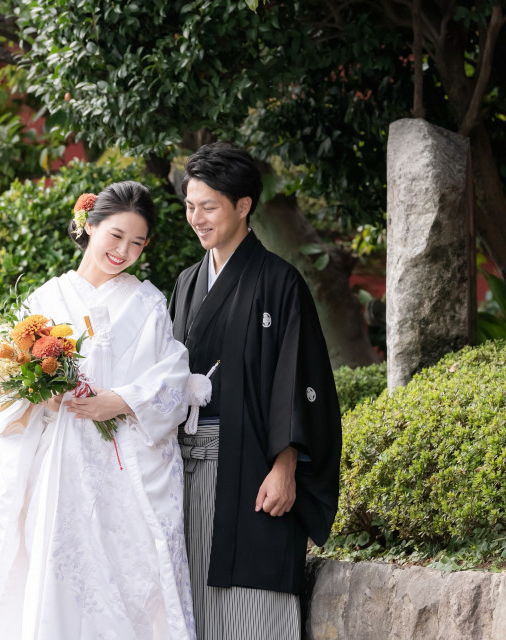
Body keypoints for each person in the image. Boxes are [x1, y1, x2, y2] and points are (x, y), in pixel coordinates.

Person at [0, 181, 196, 640]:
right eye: (115, 235)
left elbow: (172, 376)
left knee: (127, 580)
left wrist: (118, 401)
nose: (123, 250)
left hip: (125, 466)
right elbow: (7, 390)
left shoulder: (148, 303)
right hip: (59, 468)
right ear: (90, 226)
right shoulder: (43, 303)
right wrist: (39, 393)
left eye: (137, 242)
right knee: (59, 577)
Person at [169, 143, 342, 640]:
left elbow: (299, 380)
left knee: (252, 599)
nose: (196, 218)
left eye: (208, 206)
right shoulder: (186, 283)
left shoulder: (279, 282)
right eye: (189, 206)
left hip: (253, 470)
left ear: (243, 205)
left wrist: (286, 466)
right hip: (183, 468)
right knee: (189, 598)